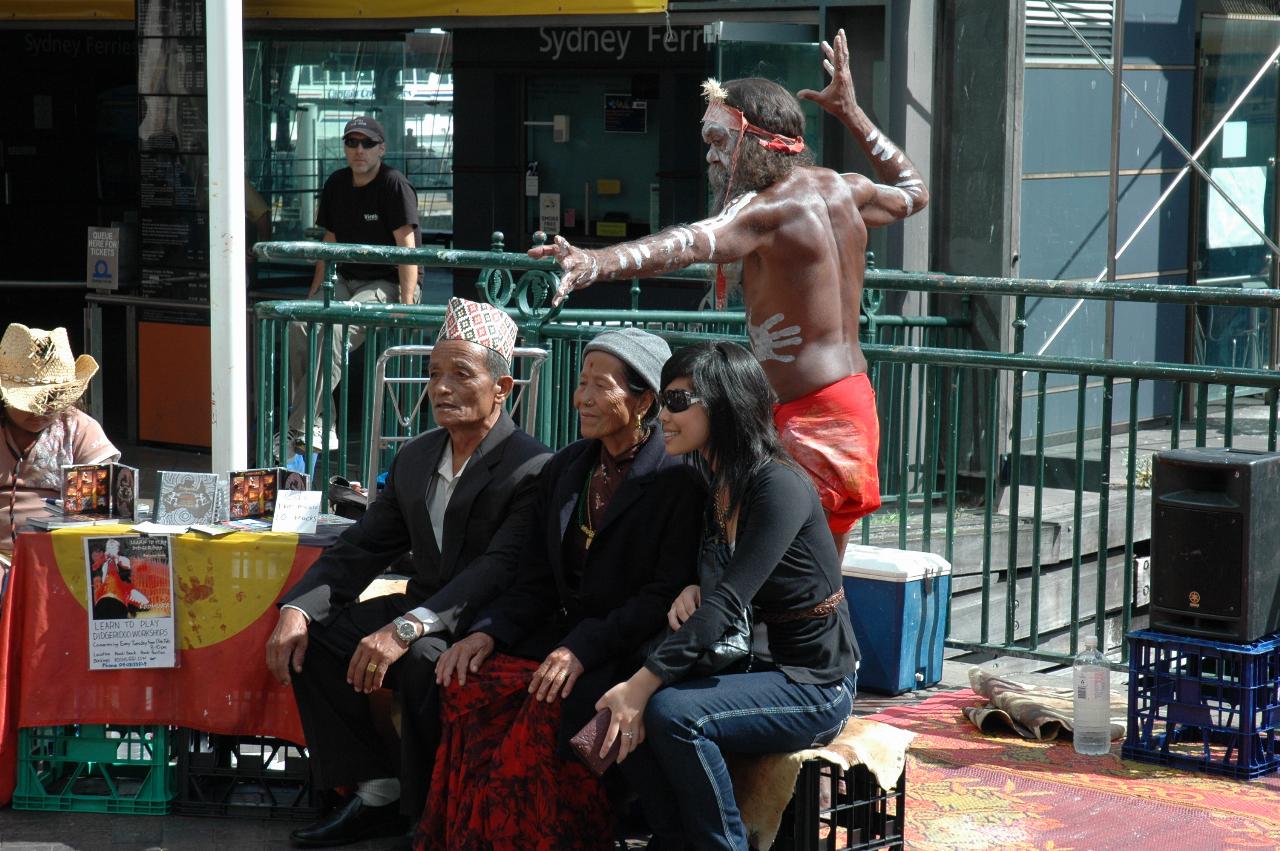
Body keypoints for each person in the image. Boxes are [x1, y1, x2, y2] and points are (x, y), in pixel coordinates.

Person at [530, 30, 928, 557]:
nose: (713, 158)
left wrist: (595, 261)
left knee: (774, 569)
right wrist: (852, 113)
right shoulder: (843, 187)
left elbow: (689, 242)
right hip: (847, 401)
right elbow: (913, 192)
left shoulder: (763, 209)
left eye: (720, 142)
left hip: (808, 413)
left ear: (757, 141)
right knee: (817, 571)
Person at [265, 297, 551, 848]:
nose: (441, 388)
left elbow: (498, 569)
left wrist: (408, 627)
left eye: (460, 375)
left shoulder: (530, 466)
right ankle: (377, 791)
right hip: (425, 605)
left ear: (503, 388)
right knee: (318, 638)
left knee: (424, 661)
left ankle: (427, 819)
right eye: (434, 374)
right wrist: (297, 608)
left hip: (492, 621)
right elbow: (366, 544)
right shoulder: (418, 456)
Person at [421, 328, 705, 850]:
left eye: (602, 386)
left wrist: (580, 649)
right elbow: (533, 577)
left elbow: (660, 595)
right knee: (467, 679)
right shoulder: (569, 467)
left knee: (546, 706)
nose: (583, 398)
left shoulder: (675, 476)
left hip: (625, 650)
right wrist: (488, 631)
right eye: (581, 383)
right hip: (563, 638)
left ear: (644, 401)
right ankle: (467, 836)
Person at [592, 341, 859, 851]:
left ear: (724, 404)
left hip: (815, 681)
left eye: (676, 402)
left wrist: (643, 684)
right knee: (619, 694)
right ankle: (673, 841)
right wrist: (696, 583)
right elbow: (721, 582)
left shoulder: (777, 487)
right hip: (753, 664)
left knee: (671, 713)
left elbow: (727, 605)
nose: (662, 417)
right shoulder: (712, 477)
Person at [286, 114, 421, 453]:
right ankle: (319, 423)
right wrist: (313, 295)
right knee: (300, 325)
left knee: (334, 330)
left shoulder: (394, 184)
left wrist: (406, 306)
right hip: (346, 278)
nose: (359, 150)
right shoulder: (336, 184)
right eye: (351, 142)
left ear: (381, 149)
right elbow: (329, 244)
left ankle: (298, 428)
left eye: (367, 143)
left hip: (389, 282)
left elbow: (408, 250)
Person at [0, 324, 119, 580]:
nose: (40, 411)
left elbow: (101, 508)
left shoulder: (79, 429)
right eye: (30, 404)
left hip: (63, 559)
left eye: (51, 402)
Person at [89, 538, 149, 619]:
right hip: (108, 590)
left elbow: (127, 565)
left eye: (113, 547)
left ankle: (130, 608)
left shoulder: (122, 559)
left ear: (117, 549)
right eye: (109, 548)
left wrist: (116, 558)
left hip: (124, 588)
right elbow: (103, 579)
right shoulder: (106, 564)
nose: (110, 549)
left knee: (145, 603)